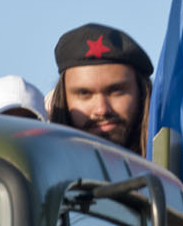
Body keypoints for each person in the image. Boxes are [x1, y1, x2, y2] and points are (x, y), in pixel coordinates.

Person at [47, 23, 152, 155]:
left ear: (142, 93)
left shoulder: (179, 169)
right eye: (84, 94)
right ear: (64, 99)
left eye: (116, 91)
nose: (102, 110)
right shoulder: (37, 172)